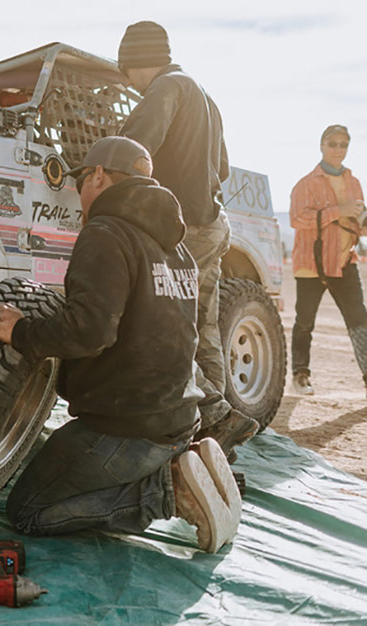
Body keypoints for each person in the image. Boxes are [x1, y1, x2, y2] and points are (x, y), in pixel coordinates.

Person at [0, 136, 242, 554]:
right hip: (178, 417)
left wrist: (21, 330)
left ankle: (165, 492)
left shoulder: (104, 232)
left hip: (128, 431)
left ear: (99, 176)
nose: (78, 194)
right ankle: (183, 462)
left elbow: (90, 332)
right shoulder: (176, 246)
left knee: (27, 510)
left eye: (81, 181)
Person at [117, 20, 258, 458]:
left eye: (125, 70)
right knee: (203, 328)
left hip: (183, 230)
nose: (127, 81)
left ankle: (208, 416)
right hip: (215, 225)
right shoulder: (204, 96)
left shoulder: (164, 89)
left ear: (134, 63)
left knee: (162, 325)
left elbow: (131, 150)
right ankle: (215, 433)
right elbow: (224, 167)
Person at [290, 124, 367, 397]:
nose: (338, 149)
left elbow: (360, 224)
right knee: (305, 322)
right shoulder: (305, 184)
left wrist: (362, 220)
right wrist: (339, 210)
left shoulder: (354, 183)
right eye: (332, 143)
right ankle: (300, 376)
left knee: (360, 321)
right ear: (321, 145)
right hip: (311, 263)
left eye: (343, 144)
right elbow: (297, 219)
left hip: (345, 262)